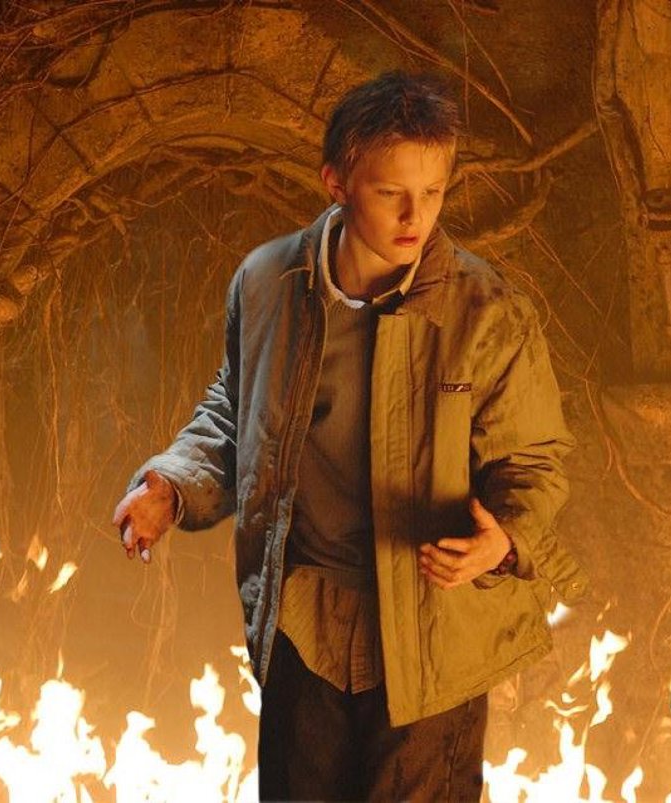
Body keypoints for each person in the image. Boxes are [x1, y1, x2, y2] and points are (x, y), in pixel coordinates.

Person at [112, 71, 588, 802]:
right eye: (391, 192)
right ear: (336, 181)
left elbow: (534, 462)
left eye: (432, 192)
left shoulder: (489, 311)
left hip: (433, 637)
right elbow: (236, 411)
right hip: (306, 624)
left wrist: (504, 539)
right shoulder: (267, 282)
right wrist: (170, 486)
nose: (415, 216)